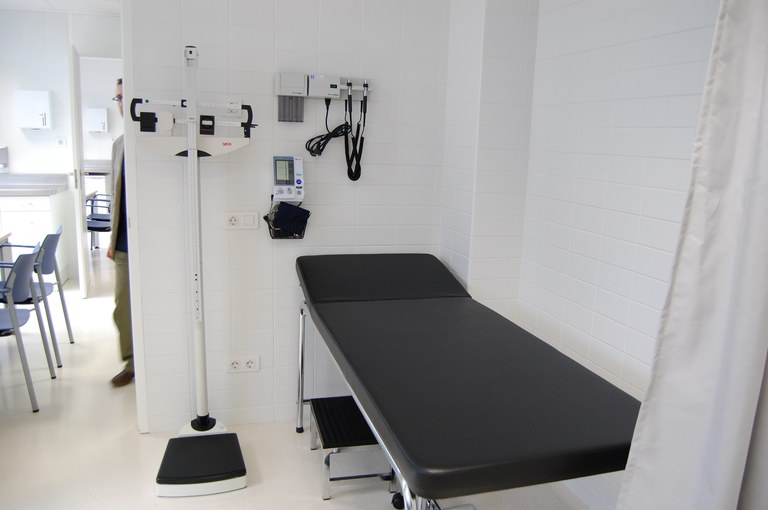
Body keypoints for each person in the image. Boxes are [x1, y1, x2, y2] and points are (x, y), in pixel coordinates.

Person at [108, 78, 134, 387]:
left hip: (149, 241)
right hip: (124, 243)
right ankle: (131, 363)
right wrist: (111, 240)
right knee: (122, 306)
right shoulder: (118, 145)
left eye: (125, 96)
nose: (121, 102)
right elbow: (115, 198)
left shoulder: (147, 141)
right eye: (118, 97)